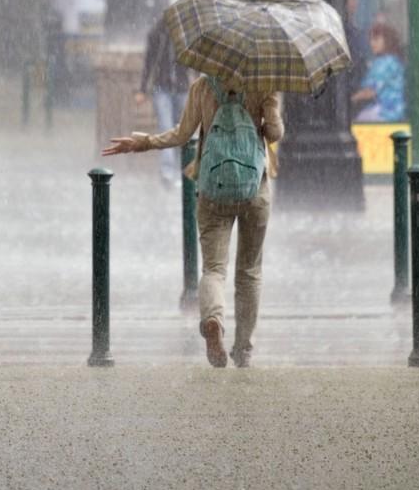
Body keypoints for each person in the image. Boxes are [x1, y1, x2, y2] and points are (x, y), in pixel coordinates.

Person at [102, 75, 283, 368]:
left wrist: (143, 142)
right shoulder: (264, 81)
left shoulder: (204, 85)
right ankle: (243, 350)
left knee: (213, 269)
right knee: (249, 272)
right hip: (255, 188)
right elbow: (275, 133)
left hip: (213, 187)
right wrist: (265, 114)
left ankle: (213, 319)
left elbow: (182, 134)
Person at [135, 20, 191, 189]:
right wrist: (142, 89)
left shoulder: (187, 34)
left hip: (181, 89)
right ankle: (168, 172)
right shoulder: (157, 34)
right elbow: (149, 62)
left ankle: (181, 171)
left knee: (182, 131)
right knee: (166, 129)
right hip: (162, 89)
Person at [351, 20, 407, 122]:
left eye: (376, 39)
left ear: (387, 40)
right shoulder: (392, 61)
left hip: (386, 112)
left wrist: (351, 99)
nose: (372, 43)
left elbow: (370, 91)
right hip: (394, 111)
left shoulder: (385, 63)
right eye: (371, 39)